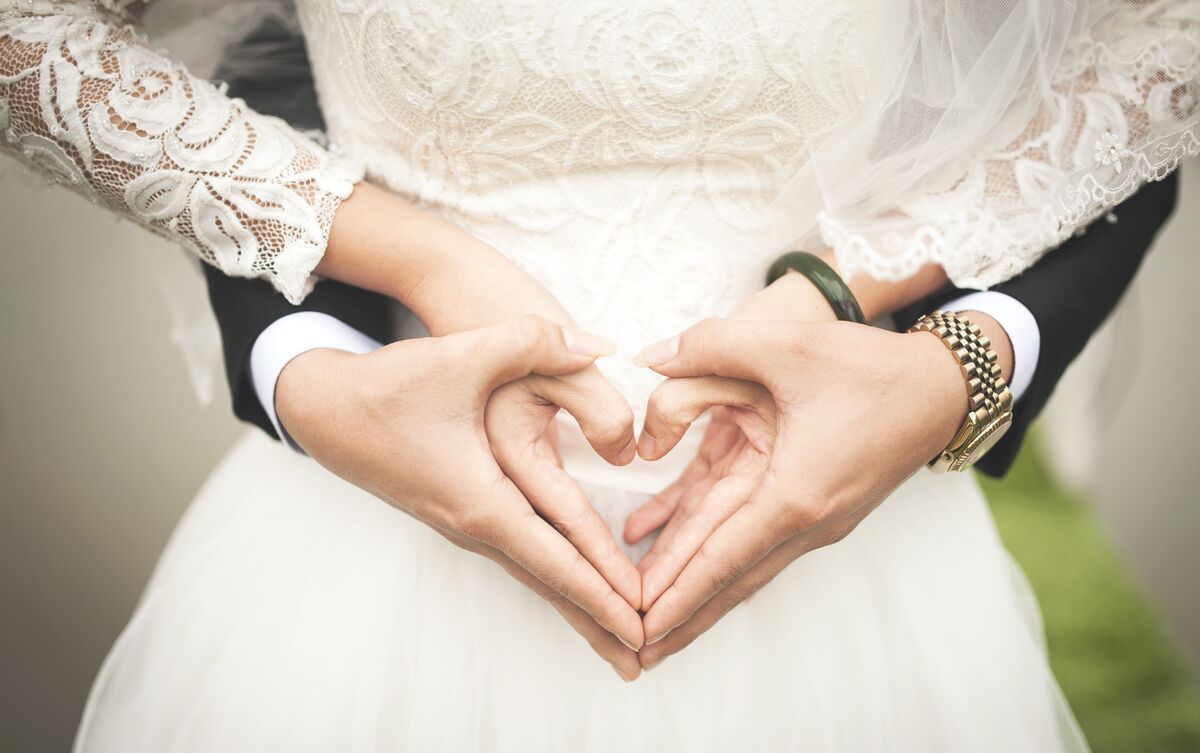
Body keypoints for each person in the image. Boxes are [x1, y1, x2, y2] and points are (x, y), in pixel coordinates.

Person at [0, 2, 1195, 750]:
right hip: (384, 548)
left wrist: (886, 322)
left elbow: (1156, 44)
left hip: (841, 553)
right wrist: (405, 258)